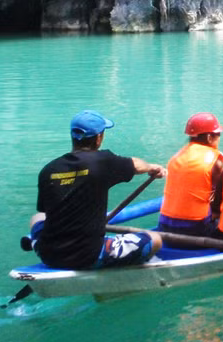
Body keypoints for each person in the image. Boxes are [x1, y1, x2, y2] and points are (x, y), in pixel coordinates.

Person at [28, 110, 165, 270]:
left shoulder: (49, 170)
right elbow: (137, 164)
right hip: (88, 255)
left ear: (72, 136)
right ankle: (132, 265)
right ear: (99, 138)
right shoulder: (103, 162)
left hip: (48, 254)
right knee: (156, 239)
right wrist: (151, 168)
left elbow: (46, 210)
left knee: (37, 217)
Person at [157, 112, 223, 238]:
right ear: (209, 137)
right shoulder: (216, 161)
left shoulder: (176, 157)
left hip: (164, 224)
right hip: (196, 228)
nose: (219, 138)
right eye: (218, 134)